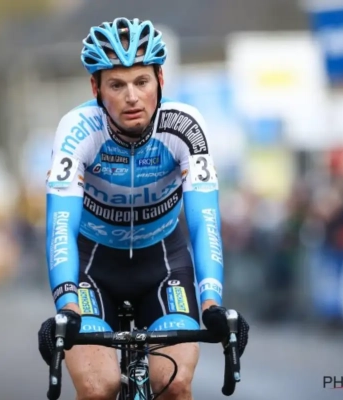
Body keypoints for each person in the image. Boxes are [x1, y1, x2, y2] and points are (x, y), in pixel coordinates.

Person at [38, 17, 249, 400]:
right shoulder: (78, 129)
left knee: (174, 384)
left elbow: (204, 222)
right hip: (92, 268)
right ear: (96, 88)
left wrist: (212, 304)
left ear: (160, 80)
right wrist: (67, 305)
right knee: (98, 388)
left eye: (141, 82)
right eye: (117, 85)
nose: (132, 97)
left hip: (163, 264)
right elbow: (60, 224)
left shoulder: (185, 127)